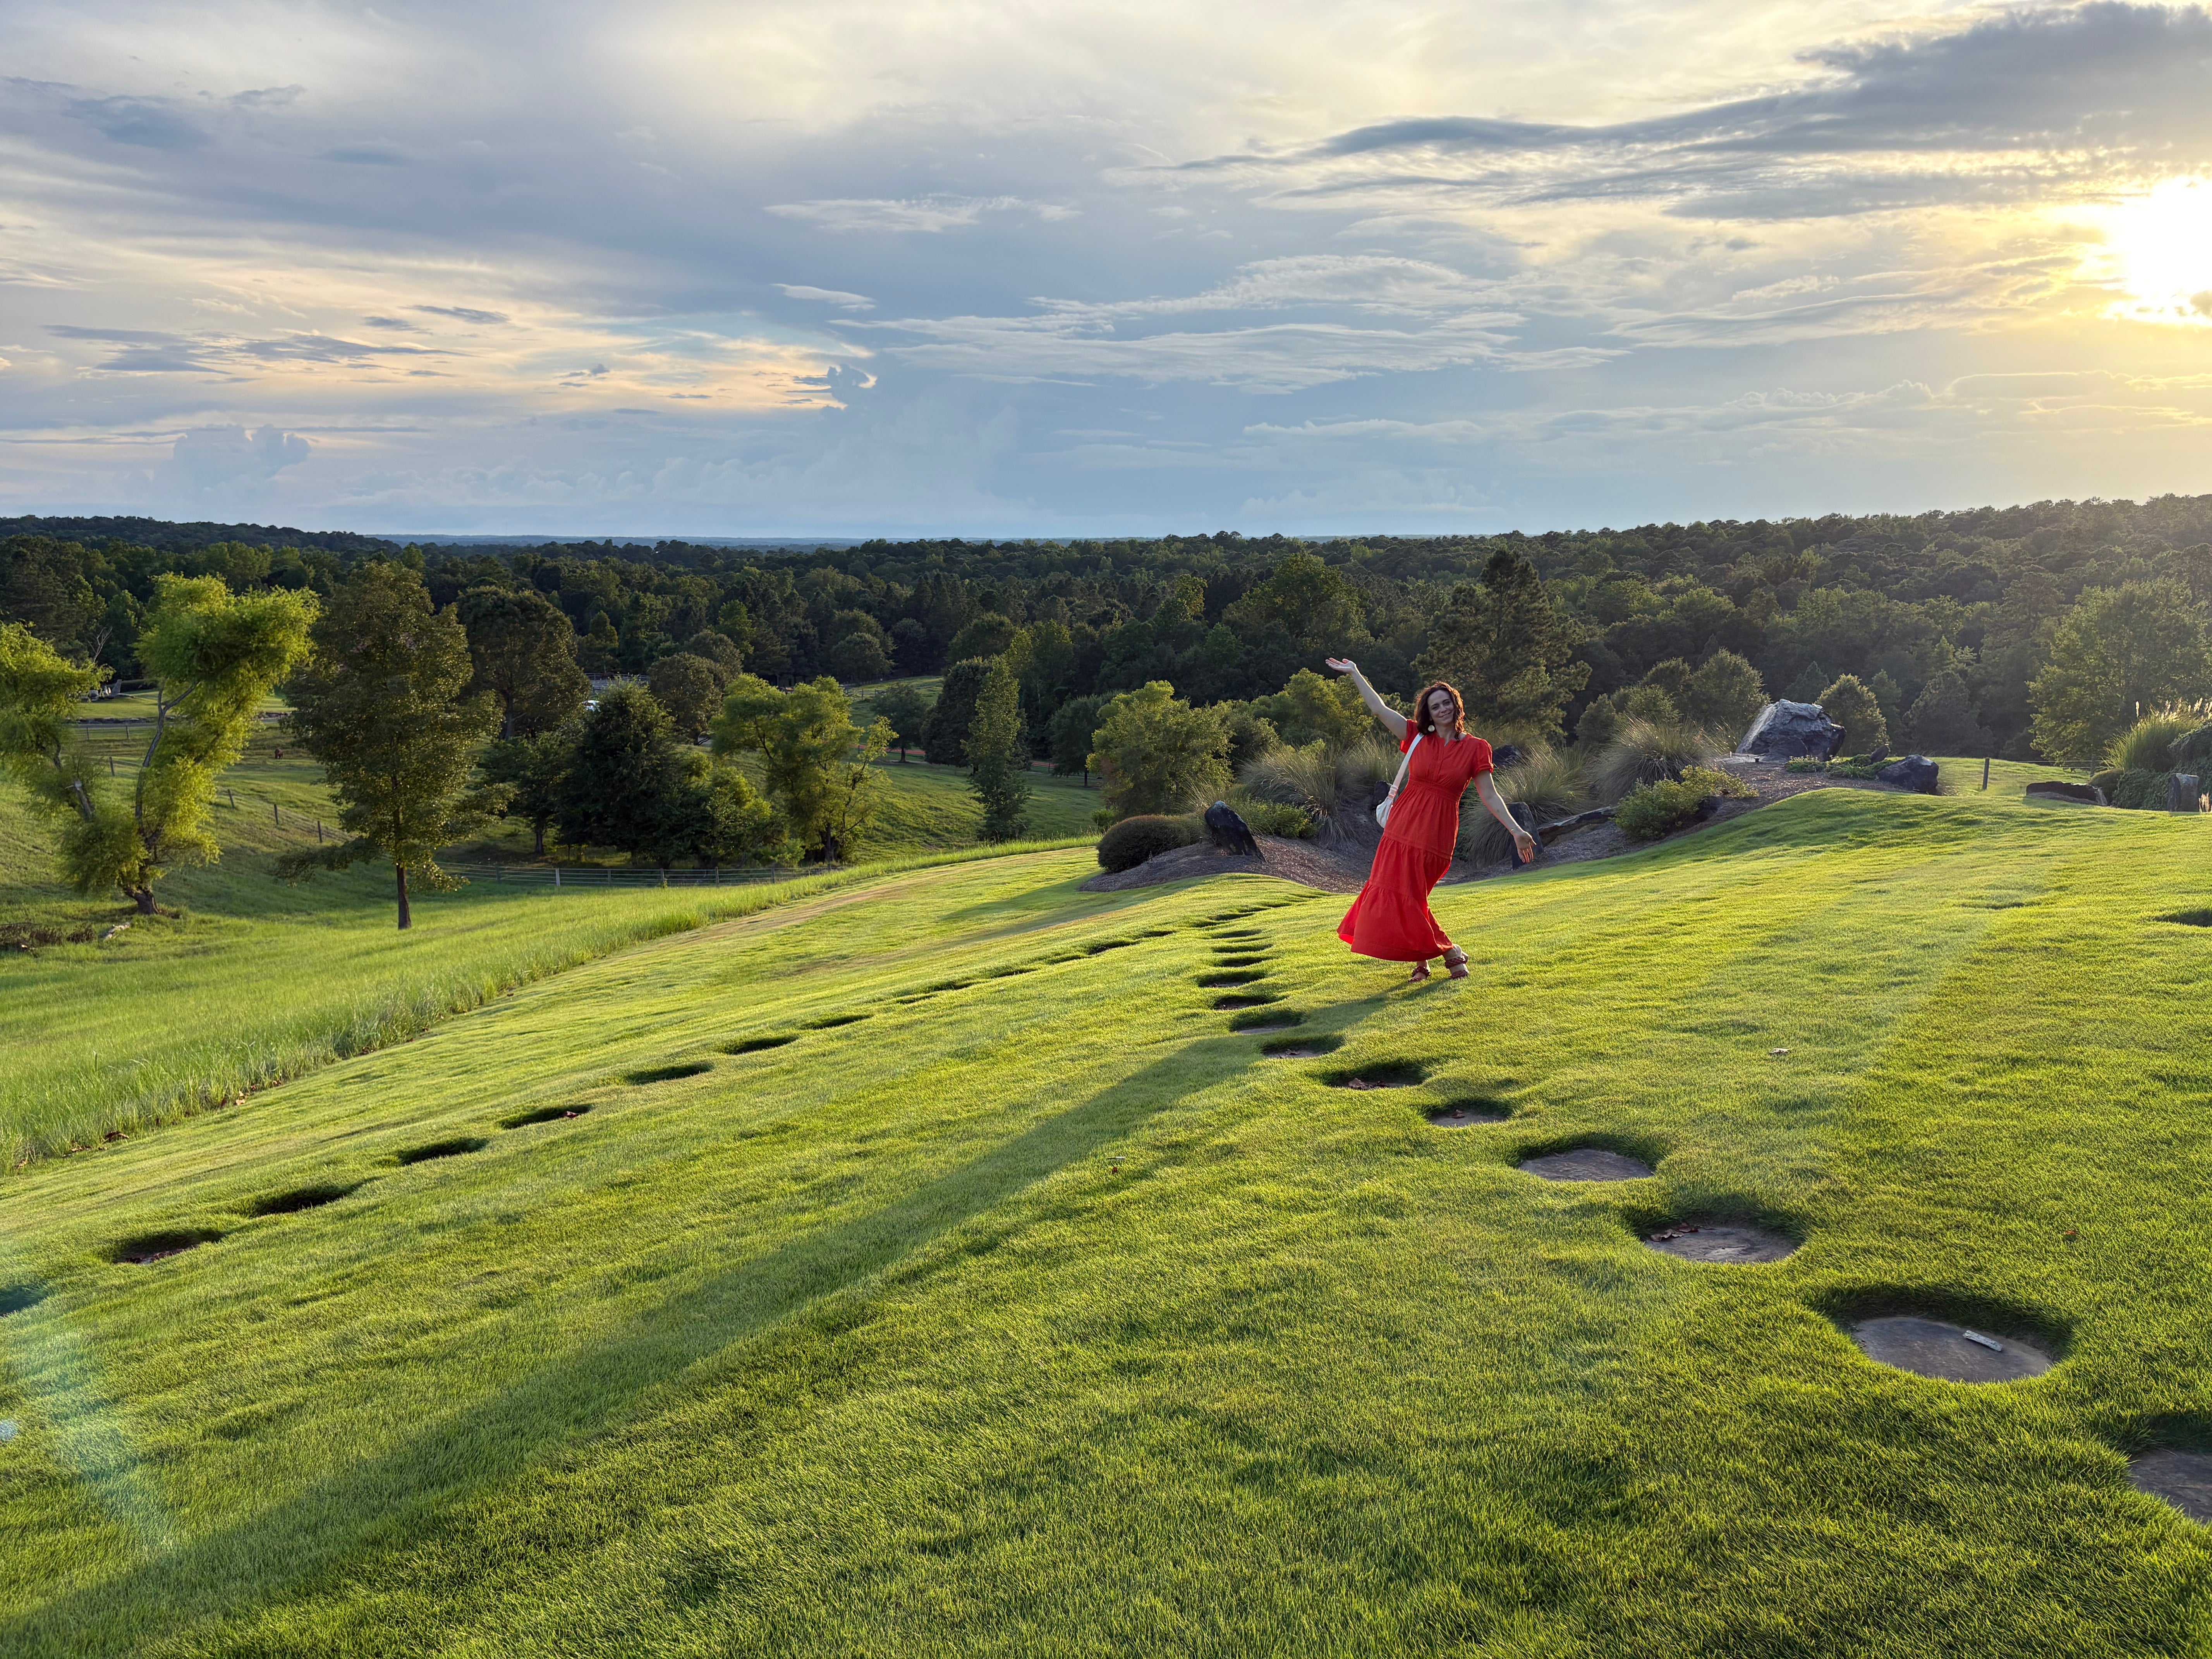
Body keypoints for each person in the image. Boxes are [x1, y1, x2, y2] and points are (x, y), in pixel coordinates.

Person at [1326, 660, 1534, 982]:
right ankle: (1436, 958)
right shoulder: (1416, 736)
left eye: (1446, 703)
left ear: (1456, 705)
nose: (1442, 710)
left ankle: (1443, 952)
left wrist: (1517, 831)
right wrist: (1356, 673)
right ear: (1429, 713)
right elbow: (1379, 710)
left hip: (1438, 833)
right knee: (1402, 892)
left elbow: (1490, 796)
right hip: (1401, 828)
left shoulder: (1477, 748)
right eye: (1435, 706)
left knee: (1412, 895)